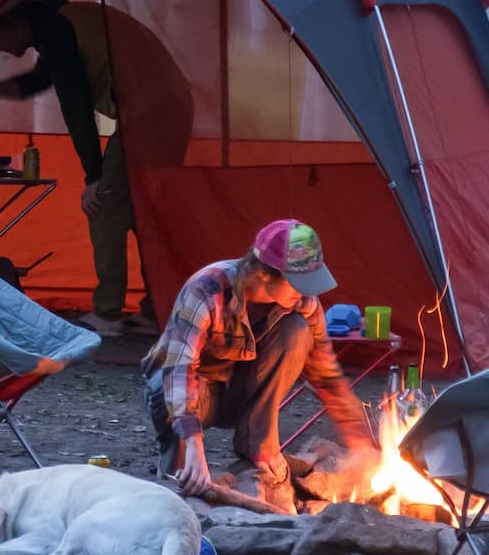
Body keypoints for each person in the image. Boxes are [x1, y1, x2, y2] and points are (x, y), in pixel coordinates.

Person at [141, 218, 378, 513]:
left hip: (239, 393)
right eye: (297, 282)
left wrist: (360, 439)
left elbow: (327, 377)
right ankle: (177, 473)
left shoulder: (302, 303)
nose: (305, 293)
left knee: (297, 330)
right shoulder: (207, 289)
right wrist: (194, 445)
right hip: (189, 396)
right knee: (166, 396)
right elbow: (179, 369)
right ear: (264, 274)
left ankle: (258, 450)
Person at [0, 0, 148, 335]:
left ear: (10, 22)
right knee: (144, 213)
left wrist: (94, 174)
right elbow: (37, 81)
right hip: (166, 106)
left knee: (102, 205)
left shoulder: (58, 29)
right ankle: (154, 310)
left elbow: (75, 104)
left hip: (147, 116)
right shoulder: (60, 23)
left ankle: (108, 313)